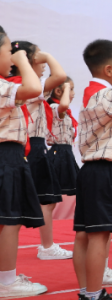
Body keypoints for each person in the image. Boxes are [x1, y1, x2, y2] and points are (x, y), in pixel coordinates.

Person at [72, 40, 112, 300]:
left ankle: (88, 293)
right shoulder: (102, 94)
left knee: (86, 234)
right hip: (106, 169)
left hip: (93, 170)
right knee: (99, 235)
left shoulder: (94, 93)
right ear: (110, 70)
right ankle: (93, 297)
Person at [0, 30, 46, 299]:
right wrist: (23, 59)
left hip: (11, 155)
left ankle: (6, 279)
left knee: (9, 220)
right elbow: (34, 88)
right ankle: (7, 281)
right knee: (9, 220)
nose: (12, 58)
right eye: (8, 52)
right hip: (5, 155)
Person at [13, 42, 69, 260]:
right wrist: (47, 55)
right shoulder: (28, 86)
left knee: (46, 199)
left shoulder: (25, 86)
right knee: (44, 200)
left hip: (36, 145)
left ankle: (47, 245)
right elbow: (60, 76)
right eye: (38, 59)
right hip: (32, 146)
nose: (43, 63)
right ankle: (47, 247)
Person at [46, 79, 80, 201]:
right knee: (52, 195)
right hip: (58, 153)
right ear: (58, 91)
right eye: (70, 89)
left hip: (65, 152)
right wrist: (66, 87)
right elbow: (64, 105)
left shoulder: (65, 111)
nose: (74, 93)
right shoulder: (54, 107)